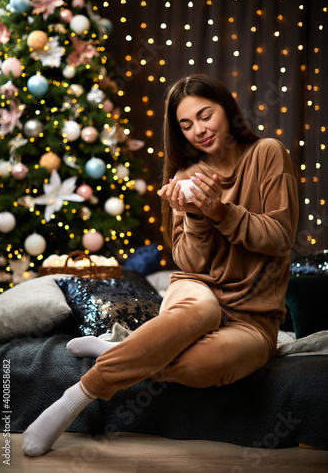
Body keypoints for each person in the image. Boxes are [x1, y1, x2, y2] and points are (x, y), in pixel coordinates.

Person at [22, 73, 299, 457]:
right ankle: (76, 397)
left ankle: (121, 347)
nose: (198, 131)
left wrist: (219, 210)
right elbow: (189, 261)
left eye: (206, 115)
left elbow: (279, 237)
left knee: (201, 365)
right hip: (197, 288)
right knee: (201, 310)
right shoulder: (184, 178)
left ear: (227, 110)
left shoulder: (268, 153)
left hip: (253, 318)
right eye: (186, 125)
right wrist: (197, 218)